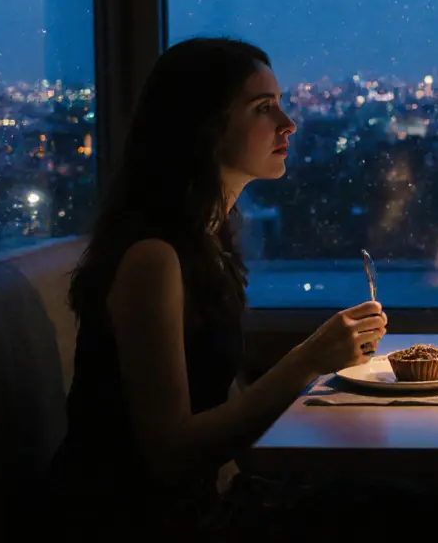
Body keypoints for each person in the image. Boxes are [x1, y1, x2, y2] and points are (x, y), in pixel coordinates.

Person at [44, 37, 394, 540]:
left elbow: (219, 408)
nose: (288, 123)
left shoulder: (208, 243)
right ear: (205, 127)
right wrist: (307, 360)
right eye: (263, 108)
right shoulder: (153, 259)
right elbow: (169, 456)